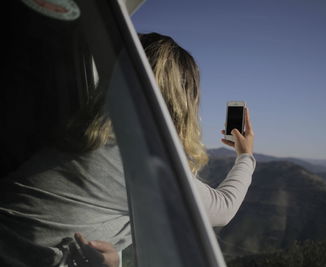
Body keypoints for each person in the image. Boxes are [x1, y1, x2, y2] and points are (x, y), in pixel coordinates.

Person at [0, 32, 255, 267]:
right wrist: (245, 155)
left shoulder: (87, 132)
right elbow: (223, 207)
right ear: (183, 102)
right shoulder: (138, 157)